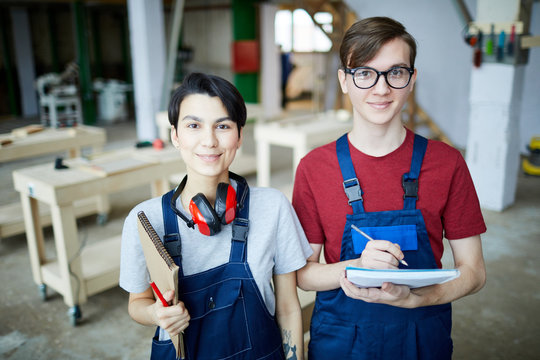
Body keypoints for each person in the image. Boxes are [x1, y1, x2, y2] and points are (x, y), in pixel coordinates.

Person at [292, 17, 487, 360]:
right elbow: (304, 274)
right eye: (365, 73)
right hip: (341, 340)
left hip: (421, 336)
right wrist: (356, 268)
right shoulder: (314, 168)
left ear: (412, 79)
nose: (381, 89)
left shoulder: (447, 163)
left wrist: (417, 298)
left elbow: (474, 271)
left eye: (395, 72)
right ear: (343, 80)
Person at [120, 72, 312, 360]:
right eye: (194, 125)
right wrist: (155, 314)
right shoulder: (146, 220)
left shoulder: (273, 207)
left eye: (222, 126)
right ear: (175, 135)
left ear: (239, 136)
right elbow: (137, 304)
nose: (209, 141)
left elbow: (287, 307)